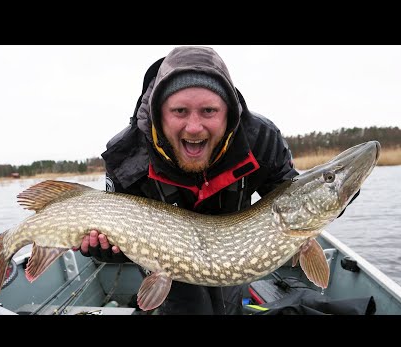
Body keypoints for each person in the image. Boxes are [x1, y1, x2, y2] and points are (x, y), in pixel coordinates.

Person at [76, 46, 357, 315]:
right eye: (180, 111)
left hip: (233, 255)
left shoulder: (260, 139)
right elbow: (119, 243)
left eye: (208, 111)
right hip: (162, 258)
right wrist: (106, 251)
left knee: (226, 304)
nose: (194, 127)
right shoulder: (127, 155)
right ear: (159, 113)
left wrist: (340, 191)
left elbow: (287, 191)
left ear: (227, 112)